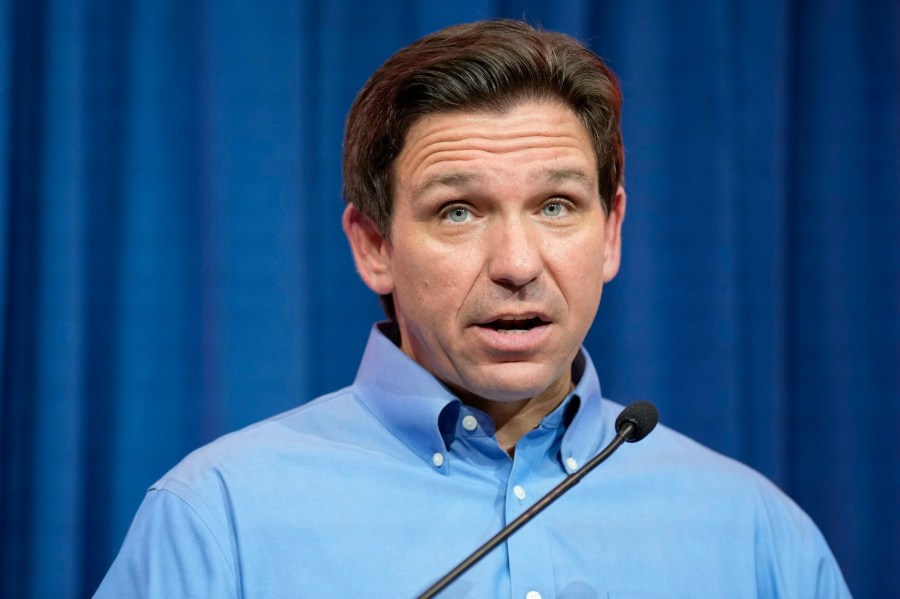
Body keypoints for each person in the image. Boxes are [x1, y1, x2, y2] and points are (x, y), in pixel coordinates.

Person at [95, 20, 851, 598]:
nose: (518, 264)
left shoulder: (758, 537)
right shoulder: (215, 520)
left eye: (557, 205)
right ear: (373, 246)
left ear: (612, 232)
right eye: (458, 211)